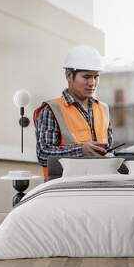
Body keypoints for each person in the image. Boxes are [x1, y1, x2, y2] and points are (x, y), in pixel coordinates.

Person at [34, 45, 113, 181]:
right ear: (69, 75)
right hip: (65, 191)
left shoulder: (103, 109)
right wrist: (80, 151)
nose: (92, 83)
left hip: (100, 188)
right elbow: (43, 155)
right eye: (86, 77)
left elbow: (109, 151)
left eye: (96, 77)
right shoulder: (52, 110)